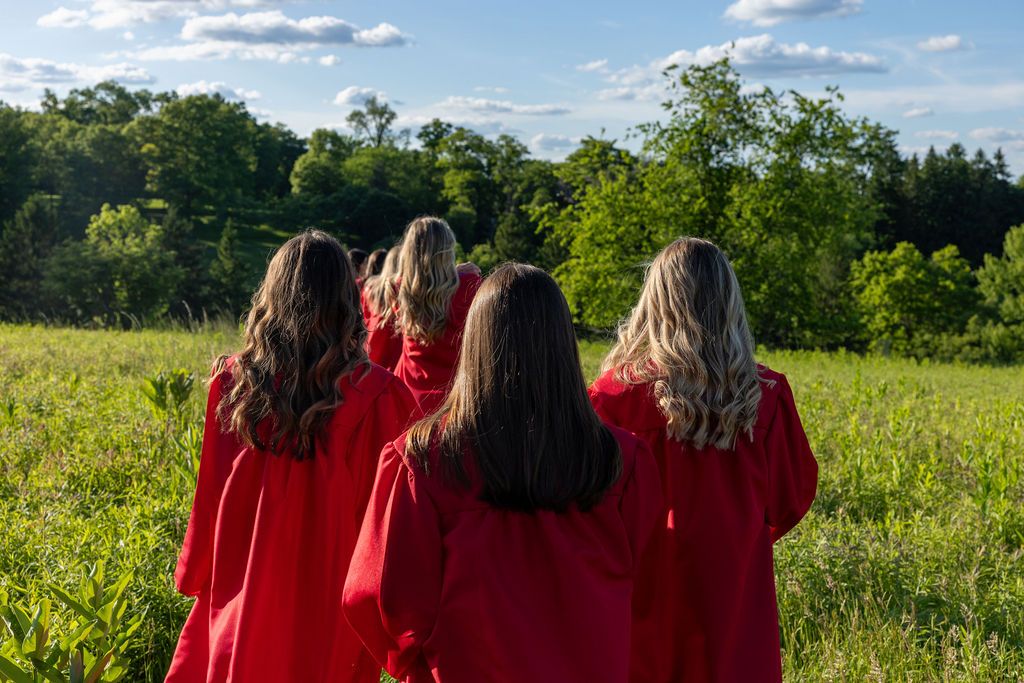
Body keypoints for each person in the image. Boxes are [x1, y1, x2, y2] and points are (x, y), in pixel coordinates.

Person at [343, 263, 663, 683]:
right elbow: (644, 585)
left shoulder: (423, 461)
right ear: (563, 346)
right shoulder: (624, 461)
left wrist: (417, 664)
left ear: (474, 343)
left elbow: (378, 597)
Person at [165, 230, 419, 683]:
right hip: (329, 589)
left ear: (273, 294)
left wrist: (196, 572)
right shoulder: (380, 395)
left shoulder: (235, 385)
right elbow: (381, 522)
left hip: (240, 577)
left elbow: (210, 494)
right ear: (346, 296)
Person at [588, 237, 818, 683]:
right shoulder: (766, 396)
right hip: (735, 599)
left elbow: (590, 513)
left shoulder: (613, 397)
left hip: (643, 596)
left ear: (655, 302)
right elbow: (791, 500)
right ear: (728, 301)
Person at [392, 216, 482, 413]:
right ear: (447, 252)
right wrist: (459, 275)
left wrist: (455, 275)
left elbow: (427, 286)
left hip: (406, 401)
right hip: (455, 404)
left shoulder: (399, 290)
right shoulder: (471, 288)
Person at [361, 245, 403, 371]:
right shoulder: (402, 290)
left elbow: (363, 318)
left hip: (372, 341)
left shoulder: (370, 288)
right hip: (394, 345)